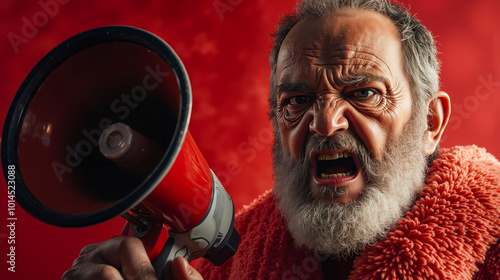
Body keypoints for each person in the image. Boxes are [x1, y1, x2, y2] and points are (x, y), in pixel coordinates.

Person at [62, 0, 500, 279]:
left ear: (430, 122)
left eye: (364, 93)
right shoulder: (227, 268)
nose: (325, 123)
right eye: (297, 99)